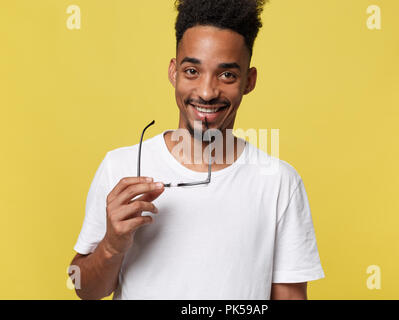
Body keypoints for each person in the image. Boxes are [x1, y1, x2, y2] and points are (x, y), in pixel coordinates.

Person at [69, 0, 325, 300]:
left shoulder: (279, 182)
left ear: (249, 81)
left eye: (227, 75)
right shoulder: (121, 166)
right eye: (192, 71)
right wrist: (111, 246)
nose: (206, 92)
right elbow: (83, 288)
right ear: (173, 72)